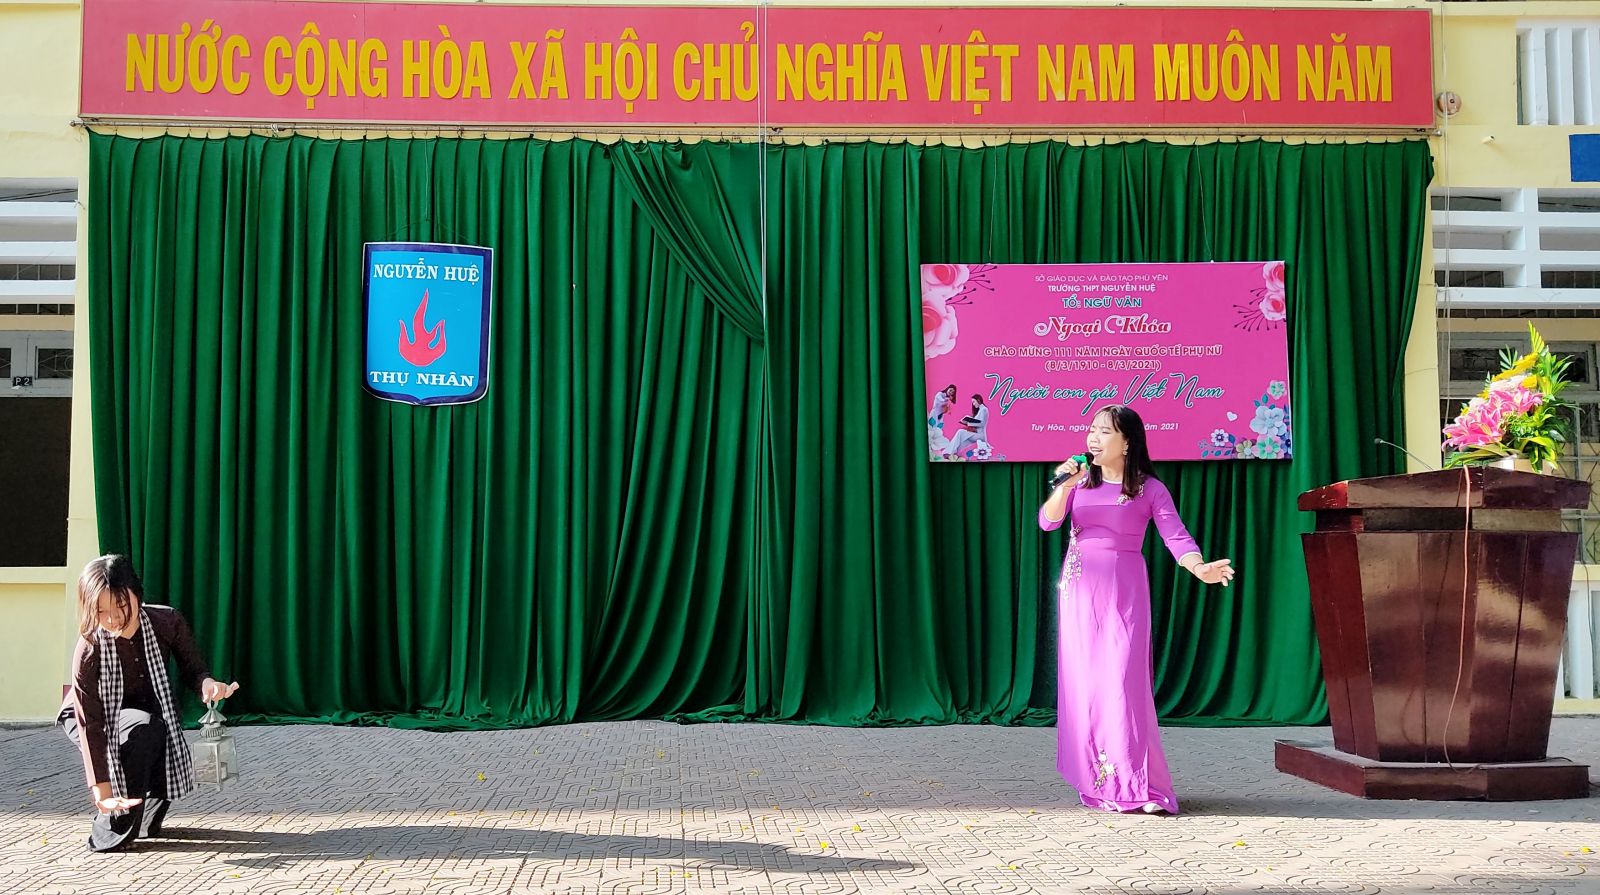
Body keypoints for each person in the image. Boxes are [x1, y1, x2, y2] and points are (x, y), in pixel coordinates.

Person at [1038, 405, 1233, 814]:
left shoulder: (1149, 489)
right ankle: (1100, 780)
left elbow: (1176, 537)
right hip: (1079, 590)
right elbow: (1048, 521)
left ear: (1127, 442)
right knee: (1087, 686)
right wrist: (1065, 484)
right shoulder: (1079, 480)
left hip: (1124, 591)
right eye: (1091, 430)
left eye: (1104, 432)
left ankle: (1140, 785)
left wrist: (1199, 567)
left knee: (1123, 684)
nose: (1093, 438)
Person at [57, 554, 240, 852]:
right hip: (90, 717)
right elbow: (90, 722)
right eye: (101, 611)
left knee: (157, 730)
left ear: (137, 594)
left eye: (120, 605)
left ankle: (142, 820)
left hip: (148, 712)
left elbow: (194, 669)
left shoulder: (166, 621)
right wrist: (102, 793)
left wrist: (208, 685)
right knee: (145, 730)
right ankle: (111, 829)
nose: (113, 618)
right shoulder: (89, 647)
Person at [945, 393, 990, 458]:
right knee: (961, 442)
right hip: (975, 433)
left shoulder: (984, 409)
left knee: (960, 432)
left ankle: (949, 452)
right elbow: (977, 422)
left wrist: (968, 423)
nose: (973, 404)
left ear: (978, 400)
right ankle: (953, 454)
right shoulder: (980, 410)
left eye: (974, 402)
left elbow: (982, 424)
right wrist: (967, 422)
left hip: (979, 435)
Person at [927, 384, 958, 456]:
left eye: (953, 392)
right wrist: (948, 399)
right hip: (935, 414)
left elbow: (950, 406)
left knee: (939, 430)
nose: (951, 392)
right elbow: (941, 400)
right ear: (947, 388)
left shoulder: (948, 399)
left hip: (940, 415)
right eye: (950, 390)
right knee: (931, 428)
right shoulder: (940, 394)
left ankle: (936, 449)